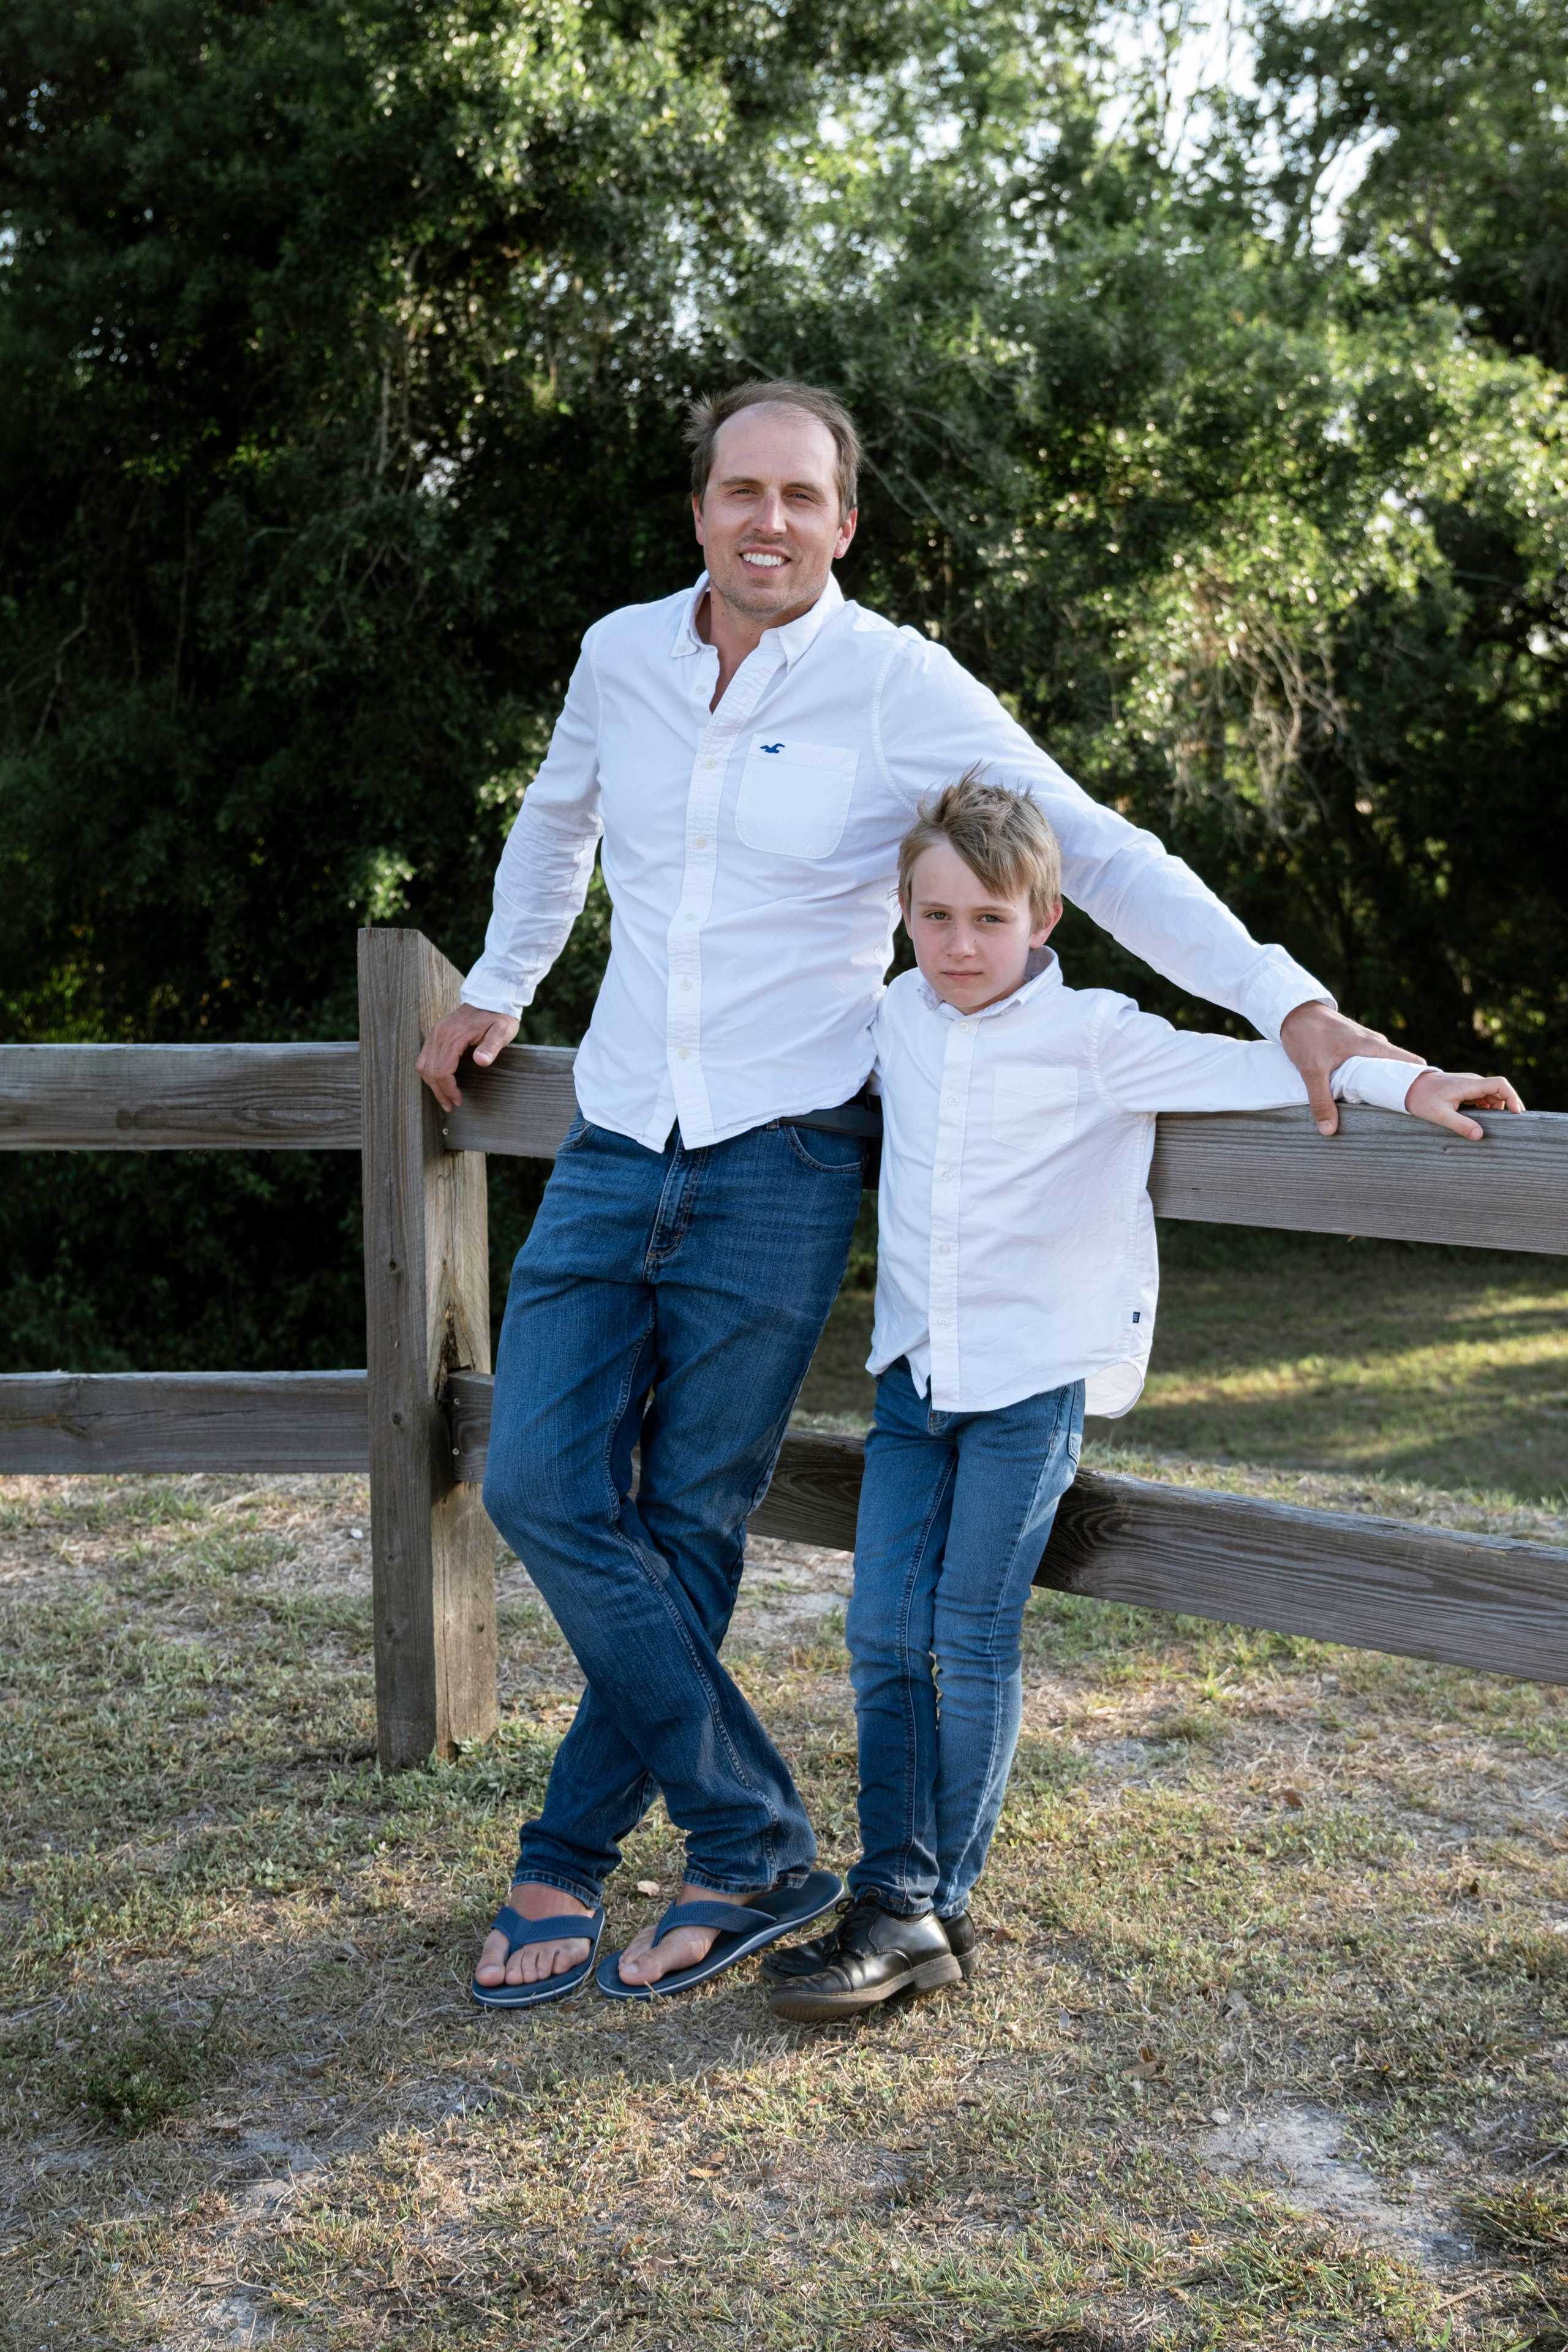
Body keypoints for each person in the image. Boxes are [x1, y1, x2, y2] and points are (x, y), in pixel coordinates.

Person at [414, 377, 1427, 2009]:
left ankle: (568, 1857)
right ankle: (751, 1839)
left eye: (800, 497)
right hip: (612, 1141)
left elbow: (1092, 848)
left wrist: (1288, 1003)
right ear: (698, 509)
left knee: (686, 1518)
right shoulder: (619, 656)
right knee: (537, 1483)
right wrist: (499, 983)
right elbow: (556, 824)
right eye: (741, 491)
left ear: (844, 522)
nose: (768, 521)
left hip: (784, 1157)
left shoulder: (900, 683)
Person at [762, 775, 1523, 2020]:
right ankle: (893, 1891)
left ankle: (924, 1907)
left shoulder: (1100, 1036)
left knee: (968, 1636)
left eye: (989, 920)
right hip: (914, 1380)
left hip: (1028, 1391)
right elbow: (778, 1049)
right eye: (936, 916)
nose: (960, 946)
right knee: (882, 1637)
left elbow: (1273, 1069)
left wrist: (1415, 1081)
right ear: (903, 913)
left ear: (1044, 919)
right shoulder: (894, 1015)